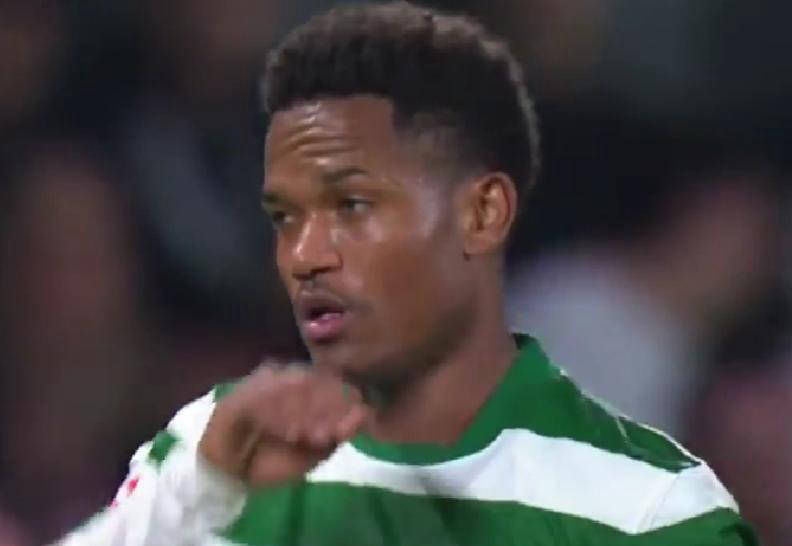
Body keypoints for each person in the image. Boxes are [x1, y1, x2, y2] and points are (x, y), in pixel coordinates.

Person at [55, 3, 757, 545]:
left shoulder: (647, 500)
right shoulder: (210, 455)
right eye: (289, 216)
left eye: (359, 205)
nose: (310, 253)